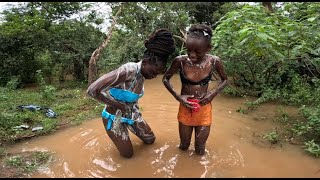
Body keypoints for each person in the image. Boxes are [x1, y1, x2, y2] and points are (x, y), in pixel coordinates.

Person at [87, 28, 176, 158]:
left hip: (132, 113)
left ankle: (130, 128)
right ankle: (120, 136)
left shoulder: (143, 74)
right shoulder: (128, 71)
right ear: (145, 62)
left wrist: (128, 110)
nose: (154, 76)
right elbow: (92, 90)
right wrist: (117, 105)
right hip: (114, 116)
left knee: (150, 140)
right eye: (154, 72)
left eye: (158, 73)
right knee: (128, 155)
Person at [162, 24, 228, 155]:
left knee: (200, 148)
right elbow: (165, 79)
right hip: (185, 108)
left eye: (198, 51)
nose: (192, 55)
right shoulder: (180, 61)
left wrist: (212, 94)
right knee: (184, 146)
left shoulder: (214, 61)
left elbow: (225, 80)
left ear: (208, 48)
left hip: (204, 109)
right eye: (189, 50)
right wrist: (178, 96)